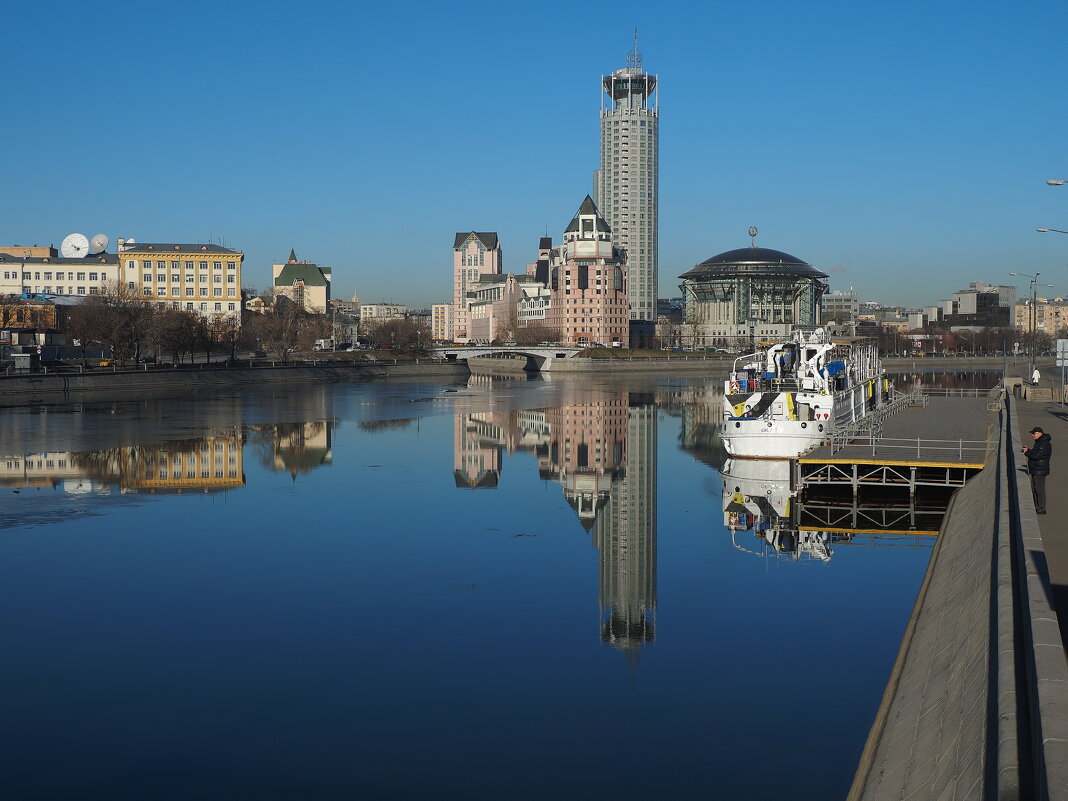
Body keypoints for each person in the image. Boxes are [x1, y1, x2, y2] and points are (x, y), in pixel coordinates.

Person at [1022, 426, 1052, 515]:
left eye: (1034, 433)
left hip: (1040, 470)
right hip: (1036, 470)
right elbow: (1037, 453)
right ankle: (1036, 506)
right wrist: (1028, 450)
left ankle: (1041, 508)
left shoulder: (1043, 444)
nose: (1032, 435)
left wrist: (1027, 453)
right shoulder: (1040, 442)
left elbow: (1037, 456)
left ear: (1040, 433)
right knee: (1034, 488)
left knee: (1039, 489)